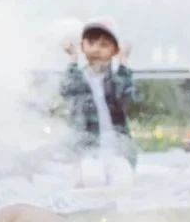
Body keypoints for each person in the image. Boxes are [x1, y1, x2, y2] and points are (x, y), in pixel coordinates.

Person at [59, 18, 138, 182]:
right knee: (91, 180)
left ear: (115, 50)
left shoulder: (117, 78)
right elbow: (67, 90)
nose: (96, 49)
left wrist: (124, 63)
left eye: (104, 45)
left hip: (116, 146)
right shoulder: (79, 76)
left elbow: (126, 98)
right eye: (91, 43)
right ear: (82, 46)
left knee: (122, 182)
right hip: (87, 146)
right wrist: (72, 59)